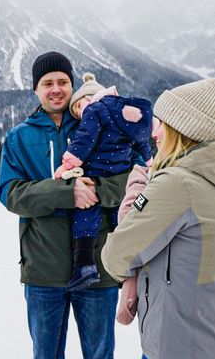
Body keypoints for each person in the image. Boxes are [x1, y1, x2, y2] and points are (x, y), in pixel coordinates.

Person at [101, 78, 215, 359]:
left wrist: (138, 186)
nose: (154, 132)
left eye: (161, 124)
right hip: (203, 336)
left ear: (181, 130)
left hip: (175, 346)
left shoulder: (178, 184)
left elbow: (116, 256)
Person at [0, 52, 129, 359]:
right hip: (43, 270)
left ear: (72, 85)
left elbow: (131, 178)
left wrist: (95, 188)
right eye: (47, 83)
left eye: (63, 82)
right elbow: (11, 194)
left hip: (97, 269)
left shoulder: (100, 125)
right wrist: (65, 192)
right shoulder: (19, 138)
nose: (56, 89)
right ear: (35, 90)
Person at [53, 72, 153, 291]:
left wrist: (67, 165)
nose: (80, 114)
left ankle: (85, 266)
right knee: (122, 221)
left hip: (95, 174)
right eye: (76, 112)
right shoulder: (123, 114)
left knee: (86, 217)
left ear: (89, 97)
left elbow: (83, 143)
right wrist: (151, 161)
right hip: (119, 175)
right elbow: (141, 140)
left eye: (78, 106)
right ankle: (128, 268)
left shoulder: (94, 110)